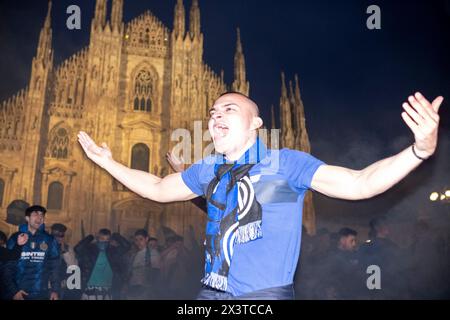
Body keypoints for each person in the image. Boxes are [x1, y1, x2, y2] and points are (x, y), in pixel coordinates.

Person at [78, 91, 443, 299]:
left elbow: (360, 182)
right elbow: (158, 189)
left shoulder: (284, 165)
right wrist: (109, 163)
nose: (215, 117)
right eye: (212, 112)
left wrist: (419, 152)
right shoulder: (209, 169)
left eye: (229, 110)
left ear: (255, 123)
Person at [3, 205, 60, 300]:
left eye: (42, 215)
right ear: (27, 218)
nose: (39, 217)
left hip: (41, 293)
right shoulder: (15, 238)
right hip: (19, 293)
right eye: (35, 214)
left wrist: (55, 290)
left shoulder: (49, 239)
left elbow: (55, 267)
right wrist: (13, 291)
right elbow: (7, 266)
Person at [75, 228, 130, 300]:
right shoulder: (90, 249)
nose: (104, 241)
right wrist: (91, 236)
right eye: (102, 239)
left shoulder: (113, 251)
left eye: (107, 239)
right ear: (97, 238)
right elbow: (77, 249)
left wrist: (115, 235)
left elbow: (127, 246)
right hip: (90, 288)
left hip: (107, 290)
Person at [125, 229, 161, 299]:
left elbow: (156, 274)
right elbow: (130, 273)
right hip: (133, 291)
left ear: (146, 239)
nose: (138, 242)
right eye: (136, 240)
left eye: (141, 239)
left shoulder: (153, 254)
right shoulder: (134, 255)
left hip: (146, 292)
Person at [50, 223, 80, 300]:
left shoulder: (68, 248)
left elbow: (73, 267)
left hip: (61, 285)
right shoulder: (45, 246)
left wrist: (64, 251)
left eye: (61, 236)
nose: (58, 238)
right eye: (56, 236)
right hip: (46, 285)